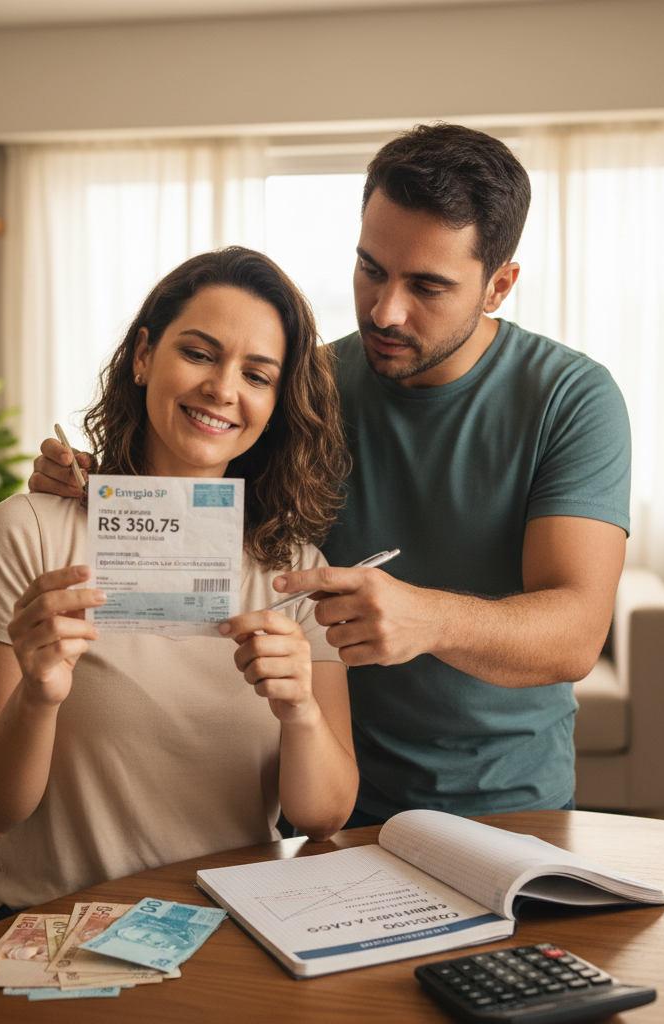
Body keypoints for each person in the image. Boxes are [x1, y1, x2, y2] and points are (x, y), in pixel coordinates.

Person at [31, 124, 630, 829]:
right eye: (370, 268)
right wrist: (95, 492)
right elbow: (201, 503)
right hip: (321, 810)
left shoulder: (571, 399)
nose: (384, 310)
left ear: (498, 285)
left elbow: (576, 634)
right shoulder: (305, 383)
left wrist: (426, 619)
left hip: (510, 806)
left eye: (427, 286)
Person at [0, 248, 358, 928]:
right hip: (56, 927)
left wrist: (301, 712)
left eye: (256, 375)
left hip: (230, 928)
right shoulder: (29, 534)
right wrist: (37, 697)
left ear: (276, 403)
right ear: (143, 357)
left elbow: (326, 815)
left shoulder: (294, 572)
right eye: (198, 353)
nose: (222, 388)